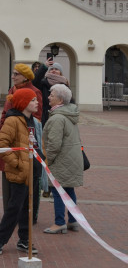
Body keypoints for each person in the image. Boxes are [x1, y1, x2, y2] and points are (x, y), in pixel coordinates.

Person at [0, 88, 41, 256]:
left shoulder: (32, 120)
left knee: (29, 208)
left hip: (33, 172)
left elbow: (34, 144)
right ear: (23, 103)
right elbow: (2, 144)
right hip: (19, 172)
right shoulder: (12, 121)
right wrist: (17, 163)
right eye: (33, 100)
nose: (37, 103)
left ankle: (24, 240)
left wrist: (41, 160)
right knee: (14, 208)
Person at [0, 63, 43, 212]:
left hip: (23, 144)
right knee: (8, 179)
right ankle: (9, 212)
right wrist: (5, 128)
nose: (13, 76)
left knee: (26, 182)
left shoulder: (34, 92)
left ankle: (27, 215)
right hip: (9, 140)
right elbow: (4, 115)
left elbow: (35, 120)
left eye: (16, 74)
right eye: (13, 73)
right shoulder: (12, 90)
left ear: (25, 76)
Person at [42, 83, 83, 234]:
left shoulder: (57, 118)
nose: (48, 97)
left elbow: (53, 145)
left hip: (61, 160)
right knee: (69, 190)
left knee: (58, 191)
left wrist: (48, 161)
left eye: (51, 95)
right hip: (71, 159)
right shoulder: (69, 114)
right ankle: (73, 221)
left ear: (60, 100)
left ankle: (59, 222)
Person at [33, 58, 70, 126]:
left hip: (60, 115)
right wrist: (44, 67)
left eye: (56, 69)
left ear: (60, 72)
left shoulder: (64, 84)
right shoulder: (43, 83)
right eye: (51, 69)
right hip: (45, 115)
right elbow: (34, 81)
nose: (54, 71)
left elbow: (69, 101)